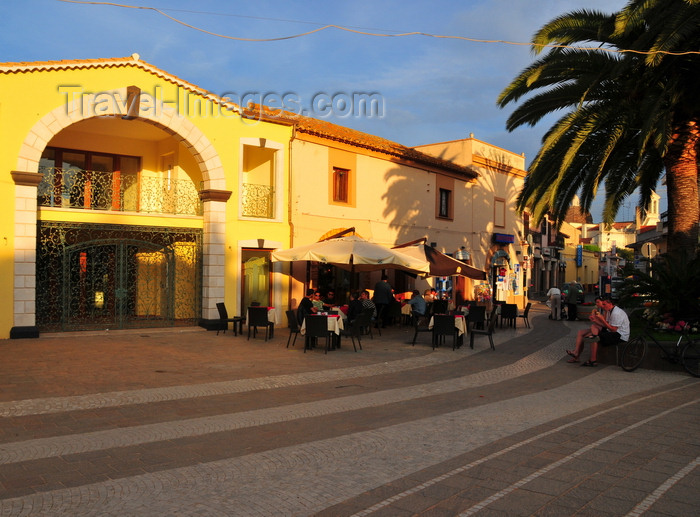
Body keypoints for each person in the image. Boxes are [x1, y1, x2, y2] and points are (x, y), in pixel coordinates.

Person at [581, 296, 630, 367]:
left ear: (610, 304)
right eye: (602, 304)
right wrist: (595, 320)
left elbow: (613, 329)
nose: (603, 306)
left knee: (594, 338)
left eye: (604, 304)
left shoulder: (616, 313)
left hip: (620, 336)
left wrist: (602, 320)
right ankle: (590, 355)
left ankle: (593, 360)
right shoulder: (610, 311)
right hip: (614, 332)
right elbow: (606, 326)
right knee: (593, 331)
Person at [565, 297, 607, 363]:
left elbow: (605, 324)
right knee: (580, 332)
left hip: (601, 329)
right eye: (596, 302)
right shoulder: (599, 310)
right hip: (597, 328)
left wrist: (596, 320)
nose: (597, 304)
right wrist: (593, 314)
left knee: (583, 337)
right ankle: (576, 353)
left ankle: (576, 355)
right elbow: (596, 320)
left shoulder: (605, 311)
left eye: (598, 302)